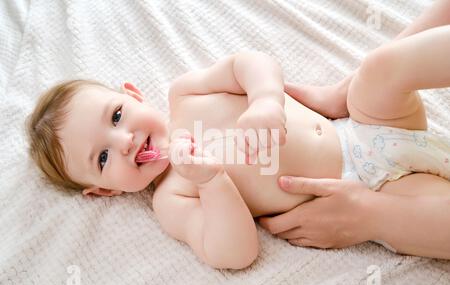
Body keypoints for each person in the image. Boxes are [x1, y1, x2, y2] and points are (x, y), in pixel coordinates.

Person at [26, 4, 450, 269]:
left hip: (364, 123)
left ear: (133, 95)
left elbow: (248, 62)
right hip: (374, 188)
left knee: (379, 68)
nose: (124, 142)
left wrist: (265, 99)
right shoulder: (173, 198)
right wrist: (212, 181)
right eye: (102, 158)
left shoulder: (186, 94)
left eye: (117, 115)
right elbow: (234, 253)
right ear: (104, 190)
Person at [259, 0, 450, 260]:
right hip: (369, 136)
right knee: (380, 68)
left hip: (386, 189)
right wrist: (348, 90)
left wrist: (371, 216)